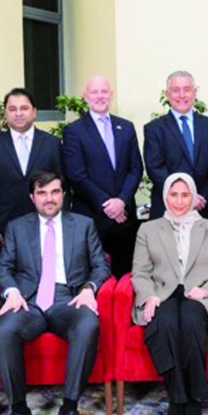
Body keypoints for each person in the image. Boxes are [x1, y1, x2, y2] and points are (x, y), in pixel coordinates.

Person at [0, 171, 112, 415]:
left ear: (63, 195)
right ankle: (19, 411)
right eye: (42, 193)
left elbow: (101, 265)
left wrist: (89, 288)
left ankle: (69, 408)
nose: (49, 198)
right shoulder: (17, 227)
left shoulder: (83, 225)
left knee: (88, 324)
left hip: (67, 300)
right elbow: (2, 268)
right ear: (32, 197)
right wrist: (11, 292)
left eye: (55, 192)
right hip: (27, 301)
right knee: (4, 330)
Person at [131, 172, 208, 415]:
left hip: (197, 295)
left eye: (185, 195)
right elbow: (140, 273)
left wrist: (207, 289)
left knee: (191, 322)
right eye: (173, 194)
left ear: (194, 197)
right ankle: (178, 399)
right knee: (164, 323)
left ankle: (195, 400)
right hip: (163, 293)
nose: (179, 201)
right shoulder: (148, 228)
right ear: (165, 196)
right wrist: (148, 295)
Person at [61, 75, 143, 276]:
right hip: (92, 217)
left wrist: (122, 201)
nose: (100, 96)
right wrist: (108, 204)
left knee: (124, 278)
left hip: (124, 219)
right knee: (90, 277)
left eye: (104, 91)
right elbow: (76, 175)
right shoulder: (74, 131)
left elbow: (135, 168)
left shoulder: (126, 127)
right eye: (94, 92)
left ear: (111, 95)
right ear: (85, 97)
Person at [0, 88, 63, 247]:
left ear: (34, 112)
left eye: (24, 108)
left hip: (47, 223)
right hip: (6, 228)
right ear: (5, 113)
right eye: (12, 109)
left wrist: (62, 220)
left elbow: (63, 185)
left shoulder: (52, 144)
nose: (18, 113)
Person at [143, 70, 208, 220]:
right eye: (175, 90)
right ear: (167, 95)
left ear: (195, 93)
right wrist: (184, 198)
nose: (182, 95)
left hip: (203, 208)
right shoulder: (154, 129)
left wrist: (202, 197)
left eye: (187, 89)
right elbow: (155, 168)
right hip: (167, 209)